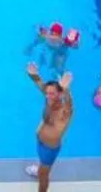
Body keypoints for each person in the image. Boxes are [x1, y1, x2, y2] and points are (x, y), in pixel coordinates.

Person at [25, 64, 74, 192]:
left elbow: (69, 105)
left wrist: (67, 89)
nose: (48, 96)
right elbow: (42, 86)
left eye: (52, 94)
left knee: (43, 177)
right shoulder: (50, 99)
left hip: (49, 149)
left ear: (60, 93)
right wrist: (34, 75)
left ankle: (42, 175)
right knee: (42, 165)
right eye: (47, 93)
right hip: (40, 142)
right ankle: (40, 168)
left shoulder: (64, 113)